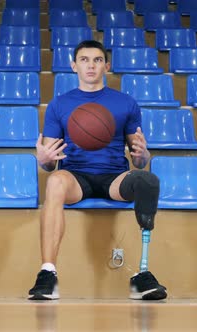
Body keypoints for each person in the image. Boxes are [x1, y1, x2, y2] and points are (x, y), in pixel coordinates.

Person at [28, 40, 167, 301]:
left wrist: (143, 156)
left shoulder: (126, 103)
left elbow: (138, 160)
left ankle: (142, 274)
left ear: (107, 66)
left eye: (97, 60)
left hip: (114, 176)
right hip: (76, 177)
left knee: (147, 180)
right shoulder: (59, 105)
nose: (91, 65)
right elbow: (49, 165)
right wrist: (43, 158)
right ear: (73, 66)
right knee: (55, 182)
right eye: (84, 60)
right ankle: (47, 274)